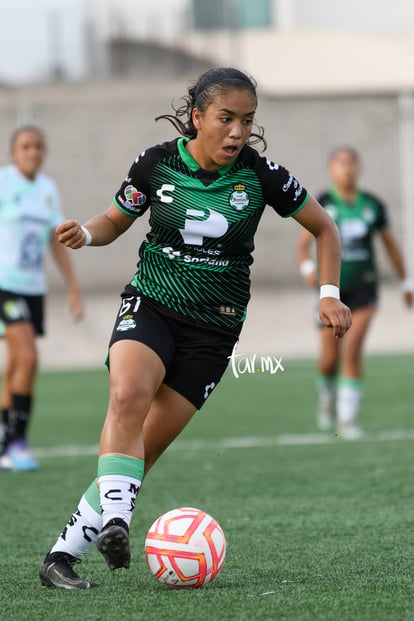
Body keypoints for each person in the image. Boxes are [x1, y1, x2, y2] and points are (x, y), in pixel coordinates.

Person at [38, 67, 351, 590]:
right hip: (153, 303)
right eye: (226, 119)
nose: (237, 132)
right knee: (127, 396)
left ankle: (59, 559)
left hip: (215, 329)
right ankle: (118, 521)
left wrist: (329, 295)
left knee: (141, 452)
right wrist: (85, 235)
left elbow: (324, 228)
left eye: (247, 121)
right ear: (198, 117)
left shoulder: (261, 175)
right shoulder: (157, 163)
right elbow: (116, 220)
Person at [297, 146, 412, 439]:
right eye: (341, 163)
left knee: (354, 349)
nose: (347, 169)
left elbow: (390, 246)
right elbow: (302, 246)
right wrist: (308, 269)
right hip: (331, 292)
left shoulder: (372, 205)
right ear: (331, 169)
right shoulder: (321, 203)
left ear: (359, 168)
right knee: (327, 359)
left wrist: (406, 283)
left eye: (351, 164)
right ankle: (327, 400)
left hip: (364, 288)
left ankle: (347, 420)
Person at [0, 126, 84, 471]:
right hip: (4, 284)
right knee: (29, 358)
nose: (32, 152)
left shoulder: (48, 189)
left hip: (33, 288)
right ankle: (15, 442)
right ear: (13, 151)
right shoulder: (4, 182)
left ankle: (5, 437)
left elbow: (56, 238)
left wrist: (73, 288)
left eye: (37, 146)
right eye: (25, 146)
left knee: (17, 363)